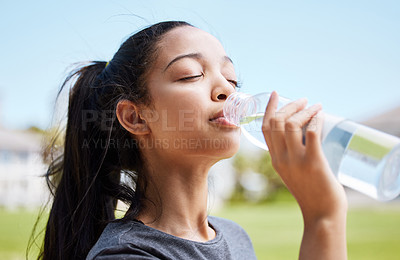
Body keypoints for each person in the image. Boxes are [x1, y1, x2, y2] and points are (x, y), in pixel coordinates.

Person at [38, 21, 348, 260]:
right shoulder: (127, 254)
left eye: (232, 78)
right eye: (191, 75)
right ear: (135, 117)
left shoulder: (234, 236)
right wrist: (324, 217)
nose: (227, 91)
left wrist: (325, 215)